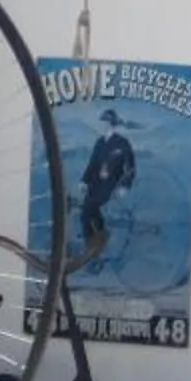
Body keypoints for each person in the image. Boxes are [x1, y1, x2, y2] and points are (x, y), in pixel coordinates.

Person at [79, 107, 137, 266]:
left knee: (89, 210)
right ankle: (92, 250)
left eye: (105, 122)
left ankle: (96, 249)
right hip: (95, 185)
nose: (102, 125)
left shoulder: (122, 143)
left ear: (112, 124)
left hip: (111, 185)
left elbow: (130, 168)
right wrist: (84, 181)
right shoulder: (99, 143)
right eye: (101, 122)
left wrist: (125, 185)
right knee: (85, 214)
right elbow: (92, 164)